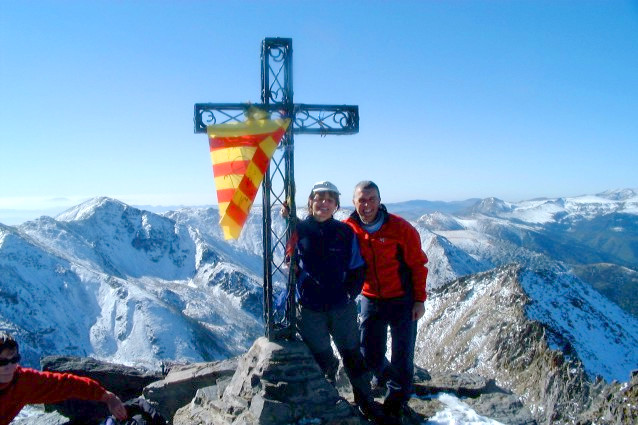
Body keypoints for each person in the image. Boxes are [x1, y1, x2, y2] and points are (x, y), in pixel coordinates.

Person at [285, 181, 385, 423]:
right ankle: (326, 401)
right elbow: (288, 259)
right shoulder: (298, 229)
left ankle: (365, 402)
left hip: (341, 307)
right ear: (310, 203)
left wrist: (350, 293)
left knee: (352, 355)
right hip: (310, 309)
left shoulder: (344, 232)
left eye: (329, 200)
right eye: (319, 198)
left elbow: (357, 267)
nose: (324, 203)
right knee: (322, 358)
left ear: (336, 205)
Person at [344, 180, 429, 422]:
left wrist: (419, 300)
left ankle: (396, 401)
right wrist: (290, 220)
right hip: (371, 299)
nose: (367, 205)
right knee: (369, 353)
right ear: (354, 203)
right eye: (362, 200)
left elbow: (417, 265)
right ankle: (387, 377)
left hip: (402, 299)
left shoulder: (401, 228)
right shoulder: (349, 228)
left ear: (380, 201)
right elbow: (323, 237)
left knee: (403, 352)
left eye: (371, 199)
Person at [0, 331, 128, 425]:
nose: (9, 366)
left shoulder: (22, 381)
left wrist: (107, 397)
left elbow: (66, 384)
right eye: (2, 362)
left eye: (14, 359)